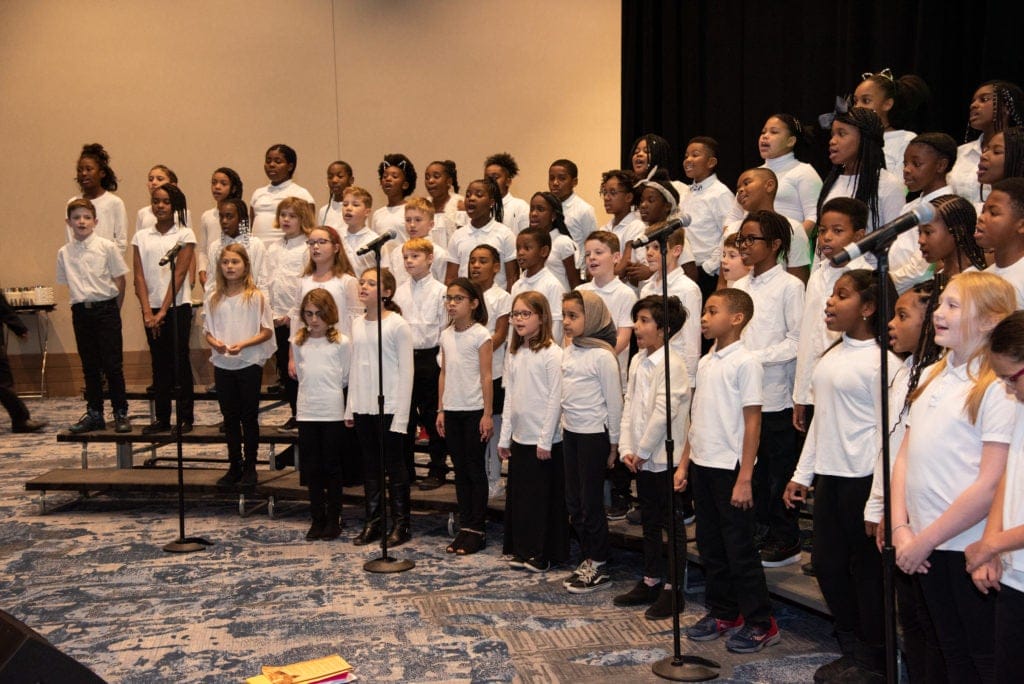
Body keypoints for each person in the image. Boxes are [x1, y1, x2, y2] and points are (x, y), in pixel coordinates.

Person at [891, 271, 1016, 682]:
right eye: (940, 304)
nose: (938, 314)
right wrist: (901, 527)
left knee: (978, 658)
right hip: (922, 541)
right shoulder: (931, 376)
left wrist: (925, 539)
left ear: (989, 321)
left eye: (952, 306)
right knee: (942, 649)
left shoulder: (996, 388)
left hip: (964, 543)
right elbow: (904, 457)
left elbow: (990, 481)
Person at [785, 270, 899, 680]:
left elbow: (891, 435)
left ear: (868, 308)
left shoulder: (886, 364)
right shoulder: (830, 358)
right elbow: (821, 422)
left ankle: (875, 658)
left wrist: (880, 499)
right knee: (829, 567)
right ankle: (852, 644)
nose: (831, 302)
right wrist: (802, 474)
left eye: (843, 295)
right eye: (832, 294)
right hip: (831, 478)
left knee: (867, 575)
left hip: (865, 480)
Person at [680, 288, 779, 651]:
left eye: (712, 311)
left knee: (739, 548)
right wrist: (684, 463)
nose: (704, 318)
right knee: (710, 545)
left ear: (736, 318)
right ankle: (724, 612)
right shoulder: (707, 361)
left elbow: (753, 421)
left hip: (730, 467)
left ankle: (761, 621)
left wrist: (745, 477)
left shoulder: (746, 361)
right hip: (703, 465)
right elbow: (697, 416)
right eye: (704, 312)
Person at [864, 280, 947, 683]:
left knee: (934, 622)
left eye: (902, 316)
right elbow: (889, 446)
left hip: (927, 512)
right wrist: (882, 506)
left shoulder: (936, 376)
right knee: (910, 616)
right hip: (901, 509)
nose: (891, 325)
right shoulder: (903, 373)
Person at [732, 210, 805, 566]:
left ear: (775, 245)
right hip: (742, 393)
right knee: (753, 468)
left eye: (751, 239)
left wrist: (753, 358)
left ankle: (785, 536)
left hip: (775, 393)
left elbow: (797, 341)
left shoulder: (790, 286)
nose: (744, 246)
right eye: (740, 240)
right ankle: (758, 526)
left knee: (777, 468)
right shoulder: (739, 288)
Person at [612, 295, 690, 619]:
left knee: (671, 524)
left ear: (665, 328)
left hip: (664, 458)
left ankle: (674, 589)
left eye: (644, 321)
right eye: (637, 319)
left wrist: (642, 451)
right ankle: (651, 579)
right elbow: (630, 405)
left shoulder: (675, 364)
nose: (638, 327)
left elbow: (664, 411)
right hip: (642, 457)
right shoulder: (637, 360)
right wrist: (626, 447)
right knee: (649, 520)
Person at [965, 311, 1024, 682]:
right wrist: (991, 542)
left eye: (1010, 378)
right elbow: (1009, 478)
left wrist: (992, 545)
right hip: (1018, 573)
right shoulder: (1021, 405)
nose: (1007, 389)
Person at [345, 268, 414, 546]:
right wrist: (350, 408)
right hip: (363, 404)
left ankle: (401, 524)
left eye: (371, 283)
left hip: (391, 407)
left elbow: (406, 371)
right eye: (362, 282)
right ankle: (373, 522)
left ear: (386, 292)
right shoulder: (357, 323)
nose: (363, 286)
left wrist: (402, 416)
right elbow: (354, 367)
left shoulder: (397, 324)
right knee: (370, 468)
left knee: (395, 468)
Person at [560, 290, 622, 593]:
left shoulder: (603, 356)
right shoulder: (569, 350)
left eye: (574, 316)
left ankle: (599, 562)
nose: (566, 322)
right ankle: (588, 556)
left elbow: (614, 403)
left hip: (594, 437)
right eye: (565, 316)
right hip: (570, 433)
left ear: (593, 317)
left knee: (590, 502)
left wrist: (614, 444)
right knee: (573, 501)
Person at [499, 290, 566, 573]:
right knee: (522, 499)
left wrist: (545, 439)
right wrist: (505, 438)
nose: (518, 319)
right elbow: (511, 397)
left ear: (542, 317)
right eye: (515, 314)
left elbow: (555, 398)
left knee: (542, 502)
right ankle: (523, 548)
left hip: (545, 441)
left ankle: (542, 553)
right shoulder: (515, 352)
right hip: (520, 438)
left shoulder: (553, 354)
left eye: (525, 314)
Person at [793, 198, 871, 433]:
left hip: (846, 388)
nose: (826, 237)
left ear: (859, 236)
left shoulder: (867, 278)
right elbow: (807, 337)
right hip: (814, 388)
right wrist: (801, 394)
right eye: (823, 230)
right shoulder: (817, 275)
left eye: (837, 231)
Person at [204, 244, 275, 487]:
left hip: (248, 363)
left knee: (248, 416)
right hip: (223, 364)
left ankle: (250, 466)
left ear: (245, 266)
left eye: (235, 262)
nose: (230, 267)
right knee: (230, 417)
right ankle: (233, 465)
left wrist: (243, 344)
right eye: (226, 262)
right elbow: (208, 332)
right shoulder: (214, 298)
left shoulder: (255, 297)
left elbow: (266, 331)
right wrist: (217, 343)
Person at [58, 198, 130, 434]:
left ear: (95, 221)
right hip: (81, 311)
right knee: (90, 365)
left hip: (106, 309)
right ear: (68, 222)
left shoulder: (106, 247)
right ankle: (95, 413)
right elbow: (68, 284)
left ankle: (120, 412)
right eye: (76, 217)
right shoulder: (64, 253)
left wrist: (113, 309)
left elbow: (120, 279)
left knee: (112, 364)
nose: (82, 221)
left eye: (87, 217)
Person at [131, 183, 195, 434]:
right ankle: (162, 418)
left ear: (175, 205)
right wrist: (148, 312)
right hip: (151, 308)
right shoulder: (141, 236)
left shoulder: (185, 235)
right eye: (155, 201)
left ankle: (185, 418)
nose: (160, 206)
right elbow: (138, 276)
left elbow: (178, 276)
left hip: (177, 306)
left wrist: (163, 311)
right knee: (159, 363)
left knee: (179, 361)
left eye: (165, 201)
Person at [436, 278, 493, 555]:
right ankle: (464, 525)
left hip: (473, 411)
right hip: (453, 409)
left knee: (474, 468)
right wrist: (441, 408)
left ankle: (477, 528)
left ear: (473, 303)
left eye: (458, 298)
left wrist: (487, 413)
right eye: (449, 298)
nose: (452, 303)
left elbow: (486, 376)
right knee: (459, 470)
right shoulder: (446, 335)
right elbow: (444, 373)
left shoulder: (481, 335)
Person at [291, 289, 351, 541]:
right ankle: (317, 517)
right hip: (307, 410)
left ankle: (334, 517)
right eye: (309, 314)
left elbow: (346, 376)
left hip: (332, 410)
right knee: (312, 468)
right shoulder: (298, 342)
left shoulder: (342, 342)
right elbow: (301, 376)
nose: (314, 320)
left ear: (329, 314)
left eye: (319, 314)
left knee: (332, 467)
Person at [392, 237, 448, 489]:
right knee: (404, 415)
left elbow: (443, 327)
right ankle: (405, 469)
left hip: (429, 358)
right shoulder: (399, 291)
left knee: (430, 414)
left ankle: (437, 469)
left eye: (415, 256)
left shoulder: (441, 291)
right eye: (406, 257)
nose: (409, 261)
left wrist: (439, 362)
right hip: (404, 358)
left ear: (429, 259)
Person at [817, 107, 907, 238]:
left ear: (865, 139)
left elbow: (897, 240)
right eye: (832, 134)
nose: (832, 141)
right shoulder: (832, 182)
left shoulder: (889, 185)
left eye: (841, 134)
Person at [266, 198, 315, 432]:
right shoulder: (274, 247)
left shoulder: (307, 247)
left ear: (303, 219)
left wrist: (290, 314)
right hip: (274, 316)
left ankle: (304, 412)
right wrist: (269, 311)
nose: (286, 219)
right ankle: (294, 411)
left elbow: (305, 283)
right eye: (283, 214)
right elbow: (267, 280)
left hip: (296, 317)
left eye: (292, 216)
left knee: (299, 367)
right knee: (284, 369)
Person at [730, 114, 822, 235]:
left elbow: (814, 217)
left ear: (790, 141)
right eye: (763, 132)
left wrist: (790, 243)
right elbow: (733, 217)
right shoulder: (753, 175)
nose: (765, 136)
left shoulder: (804, 172)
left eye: (773, 132)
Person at [468, 245, 511, 500]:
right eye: (473, 260)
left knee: (492, 424)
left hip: (492, 369)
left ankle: (493, 478)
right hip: (467, 372)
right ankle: (475, 478)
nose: (476, 265)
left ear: (496, 267)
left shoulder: (501, 297)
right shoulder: (464, 295)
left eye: (482, 261)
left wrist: (476, 350)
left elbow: (501, 333)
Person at [888, 133, 958, 291]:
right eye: (905, 163)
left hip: (918, 292)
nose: (906, 170)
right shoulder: (910, 206)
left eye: (916, 164)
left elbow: (922, 269)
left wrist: (883, 285)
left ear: (941, 165)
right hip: (895, 288)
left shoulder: (946, 208)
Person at [721, 167, 811, 284]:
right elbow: (722, 283)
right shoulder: (731, 229)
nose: (740, 191)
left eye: (746, 183)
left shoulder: (792, 229)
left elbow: (799, 281)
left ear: (769, 185)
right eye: (738, 188)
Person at [639, 226, 702, 389]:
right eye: (647, 248)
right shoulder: (647, 289)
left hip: (675, 372)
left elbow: (691, 339)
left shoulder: (687, 289)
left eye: (656, 247)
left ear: (676, 250)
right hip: (649, 368)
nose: (649, 253)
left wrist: (690, 380)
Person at [950, 80, 1024, 202]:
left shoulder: (1019, 151)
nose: (973, 105)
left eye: (983, 100)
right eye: (973, 101)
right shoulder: (959, 153)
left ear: (1006, 108)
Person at [679, 136, 734, 301]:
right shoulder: (685, 192)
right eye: (686, 156)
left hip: (706, 273)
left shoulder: (720, 193)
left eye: (695, 155)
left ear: (711, 162)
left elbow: (729, 234)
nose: (688, 160)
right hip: (684, 269)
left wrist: (708, 267)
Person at [853, 69, 930, 173]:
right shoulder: (854, 138)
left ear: (887, 104)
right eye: (855, 101)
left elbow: (903, 185)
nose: (857, 107)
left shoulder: (905, 140)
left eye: (866, 101)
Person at [446, 178, 517, 289]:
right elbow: (450, 277)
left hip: (496, 302)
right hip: (466, 301)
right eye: (468, 195)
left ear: (491, 202)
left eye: (479, 195)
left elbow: (512, 277)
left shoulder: (505, 234)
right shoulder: (457, 235)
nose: (471, 199)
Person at [200, 198, 270, 297]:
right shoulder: (215, 247)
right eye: (221, 217)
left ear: (241, 219)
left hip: (250, 302)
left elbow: (263, 280)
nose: (224, 221)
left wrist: (261, 305)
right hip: (222, 304)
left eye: (229, 217)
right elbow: (211, 284)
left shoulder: (255, 245)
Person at [68, 143, 128, 254]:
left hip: (106, 267)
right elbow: (70, 238)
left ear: (102, 173)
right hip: (79, 266)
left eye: (89, 169)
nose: (84, 173)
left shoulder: (114, 203)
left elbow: (121, 242)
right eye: (80, 170)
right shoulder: (72, 203)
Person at [509, 227, 565, 343]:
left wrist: (545, 350)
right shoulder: (517, 286)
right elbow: (512, 325)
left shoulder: (552, 285)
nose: (520, 253)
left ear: (543, 251)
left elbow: (556, 326)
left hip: (543, 352)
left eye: (527, 248)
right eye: (518, 248)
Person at [250, 144, 315, 242]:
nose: (271, 165)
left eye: (278, 161)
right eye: (268, 161)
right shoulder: (258, 193)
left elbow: (309, 229)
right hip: (258, 251)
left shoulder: (301, 194)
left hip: (286, 249)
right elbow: (250, 226)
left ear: (290, 166)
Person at [384, 197, 449, 287]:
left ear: (431, 224)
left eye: (418, 220)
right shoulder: (396, 252)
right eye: (408, 220)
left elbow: (442, 284)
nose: (412, 225)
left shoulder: (439, 253)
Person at [979, 178, 1024, 306]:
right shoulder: (983, 278)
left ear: (1021, 226)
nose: (981, 217)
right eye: (983, 211)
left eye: (993, 213)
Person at [597, 170, 646, 289]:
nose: (606, 198)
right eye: (605, 192)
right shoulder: (604, 228)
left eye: (613, 192)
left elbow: (622, 270)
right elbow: (591, 271)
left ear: (628, 197)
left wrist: (601, 272)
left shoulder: (636, 225)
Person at [196, 168, 244, 289]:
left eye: (223, 183)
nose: (217, 187)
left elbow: (245, 241)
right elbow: (202, 249)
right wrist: (202, 271)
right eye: (214, 182)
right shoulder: (207, 216)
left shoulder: (240, 213)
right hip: (213, 271)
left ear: (233, 188)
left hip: (234, 271)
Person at [549, 159, 598, 268]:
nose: (555, 183)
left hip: (574, 271)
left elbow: (592, 245)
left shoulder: (584, 209)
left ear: (574, 182)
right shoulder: (547, 208)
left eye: (562, 178)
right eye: (552, 178)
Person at [529, 191, 580, 292]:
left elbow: (574, 284)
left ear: (553, 215)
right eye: (532, 209)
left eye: (540, 209)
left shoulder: (563, 242)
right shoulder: (530, 243)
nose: (534, 214)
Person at [374, 153, 417, 241]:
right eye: (385, 176)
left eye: (394, 176)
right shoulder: (377, 214)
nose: (388, 179)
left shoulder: (412, 210)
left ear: (405, 185)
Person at [338, 186, 379, 278]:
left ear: (367, 212)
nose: (348, 208)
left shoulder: (374, 240)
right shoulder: (337, 237)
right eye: (345, 204)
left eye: (355, 205)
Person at [485, 152, 529, 234]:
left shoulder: (520, 207)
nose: (490, 182)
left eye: (495, 177)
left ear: (508, 181)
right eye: (487, 178)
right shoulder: (482, 207)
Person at [423, 160, 463, 244]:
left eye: (436, 176)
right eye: (427, 177)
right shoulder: (423, 206)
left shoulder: (459, 205)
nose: (430, 181)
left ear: (448, 182)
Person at [318, 160, 354, 229]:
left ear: (351, 180)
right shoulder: (323, 211)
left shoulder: (356, 210)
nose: (334, 180)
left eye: (340, 176)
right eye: (330, 177)